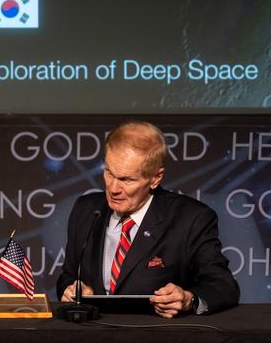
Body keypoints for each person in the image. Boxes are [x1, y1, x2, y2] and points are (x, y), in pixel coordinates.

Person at [57, 120, 240, 317]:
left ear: (155, 178)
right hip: (92, 338)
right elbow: (67, 277)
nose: (113, 188)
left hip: (155, 340)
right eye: (109, 172)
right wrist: (71, 289)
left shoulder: (191, 219)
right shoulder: (85, 210)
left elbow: (223, 285)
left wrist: (189, 299)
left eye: (127, 180)